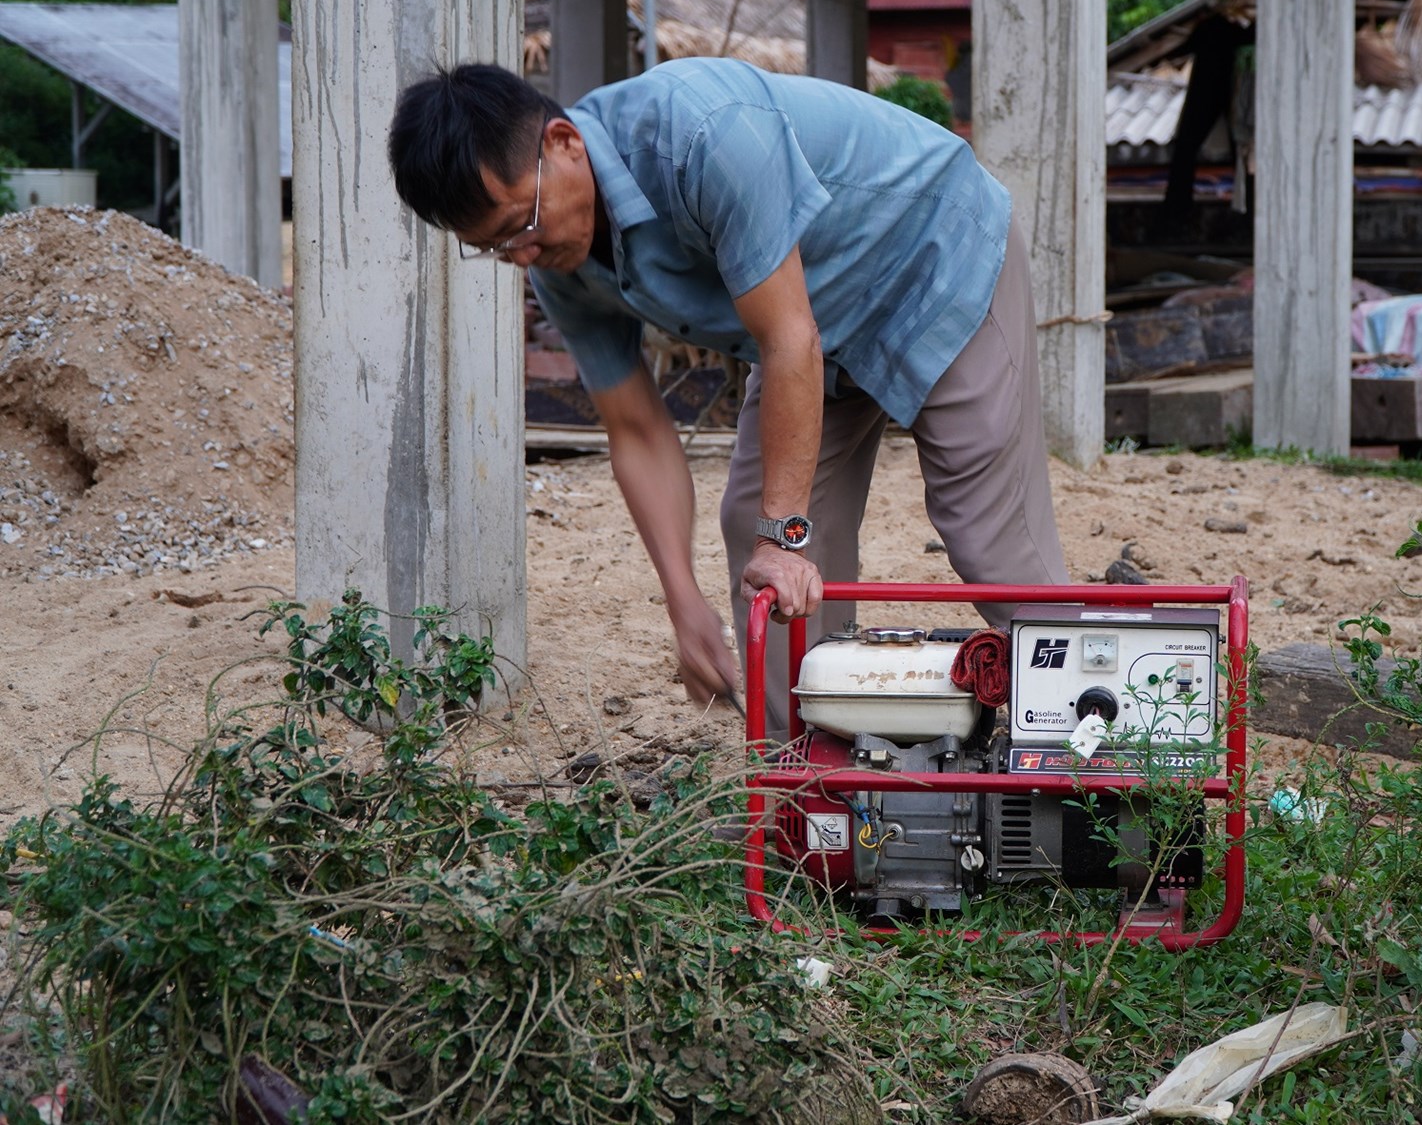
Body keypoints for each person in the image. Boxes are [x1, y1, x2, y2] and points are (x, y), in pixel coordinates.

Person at [387, 59, 1067, 731]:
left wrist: (786, 534)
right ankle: (802, 792)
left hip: (932, 251)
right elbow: (637, 430)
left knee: (988, 540)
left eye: (521, 224)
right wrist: (684, 601)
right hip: (814, 317)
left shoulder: (703, 134)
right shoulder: (560, 264)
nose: (523, 256)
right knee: (756, 533)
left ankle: (1108, 742)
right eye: (497, 249)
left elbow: (789, 340)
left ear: (563, 144)